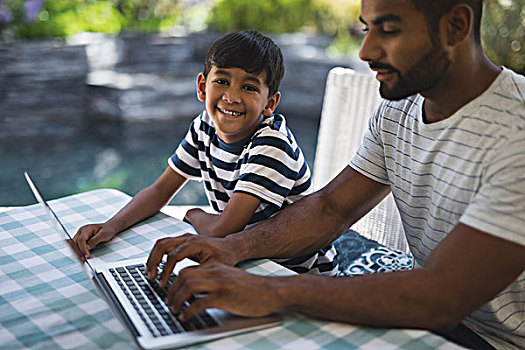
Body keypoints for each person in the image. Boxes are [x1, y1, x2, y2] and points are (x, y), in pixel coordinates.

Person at [144, 1, 525, 349]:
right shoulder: (401, 110)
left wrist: (272, 291)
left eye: (388, 31)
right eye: (367, 29)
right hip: (425, 320)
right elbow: (329, 209)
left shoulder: (517, 130)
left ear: (455, 26)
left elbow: (443, 295)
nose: (366, 52)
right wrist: (234, 247)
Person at [73, 30, 339, 276]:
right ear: (202, 86)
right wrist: (111, 226)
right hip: (242, 257)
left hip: (293, 271)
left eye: (248, 87)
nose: (231, 97)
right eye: (222, 81)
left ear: (269, 103)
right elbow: (159, 191)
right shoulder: (204, 127)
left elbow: (225, 228)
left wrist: (192, 214)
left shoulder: (271, 145)